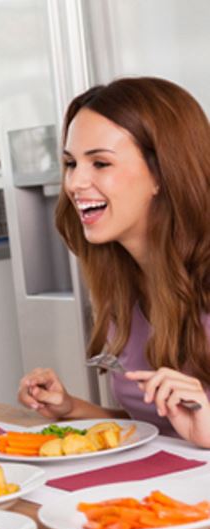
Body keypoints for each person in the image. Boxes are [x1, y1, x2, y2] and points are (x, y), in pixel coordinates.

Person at [17, 77, 210, 447]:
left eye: (100, 162)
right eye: (71, 164)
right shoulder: (123, 283)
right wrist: (72, 409)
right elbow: (161, 426)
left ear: (161, 173)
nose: (75, 183)